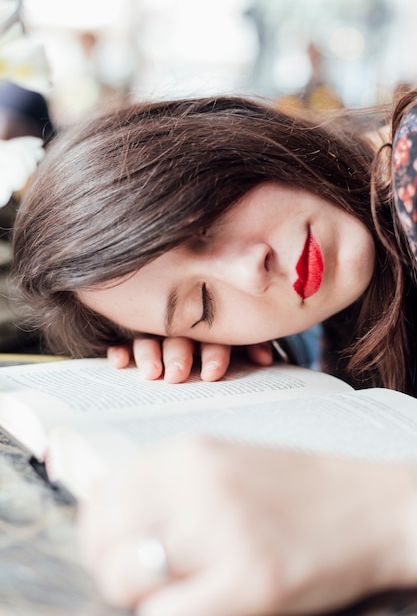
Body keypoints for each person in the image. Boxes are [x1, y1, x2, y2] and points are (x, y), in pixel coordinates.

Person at [10, 89, 417, 614]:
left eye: (210, 216)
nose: (249, 270)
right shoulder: (322, 334)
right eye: (204, 305)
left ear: (228, 138)